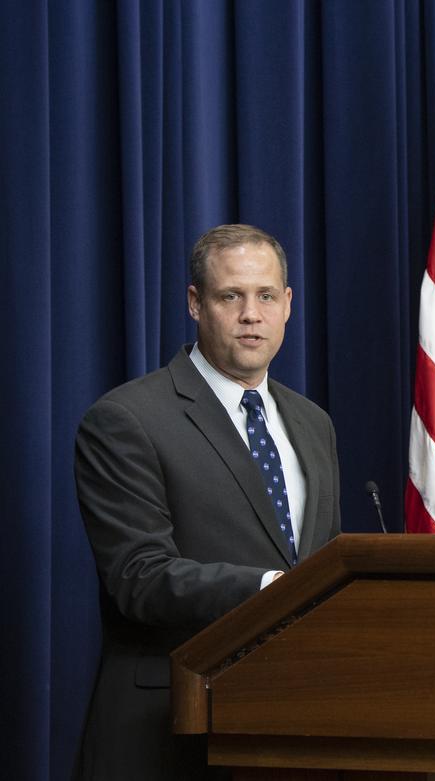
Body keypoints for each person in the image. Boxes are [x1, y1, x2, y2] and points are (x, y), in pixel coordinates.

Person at [74, 224, 342, 779]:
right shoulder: (127, 419)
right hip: (170, 729)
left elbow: (325, 564)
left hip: (295, 726)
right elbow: (139, 578)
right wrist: (275, 589)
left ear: (287, 305)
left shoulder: (313, 424)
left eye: (266, 295)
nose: (251, 314)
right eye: (230, 296)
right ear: (196, 304)